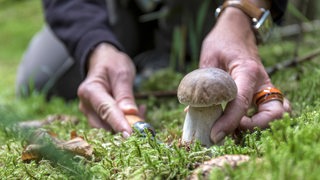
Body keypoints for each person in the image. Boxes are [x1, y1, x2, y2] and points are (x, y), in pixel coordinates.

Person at [16, 0, 291, 143]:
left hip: (208, 6)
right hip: (115, 7)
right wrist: (94, 44)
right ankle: (140, 56)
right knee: (40, 78)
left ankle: (173, 54)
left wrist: (242, 11)